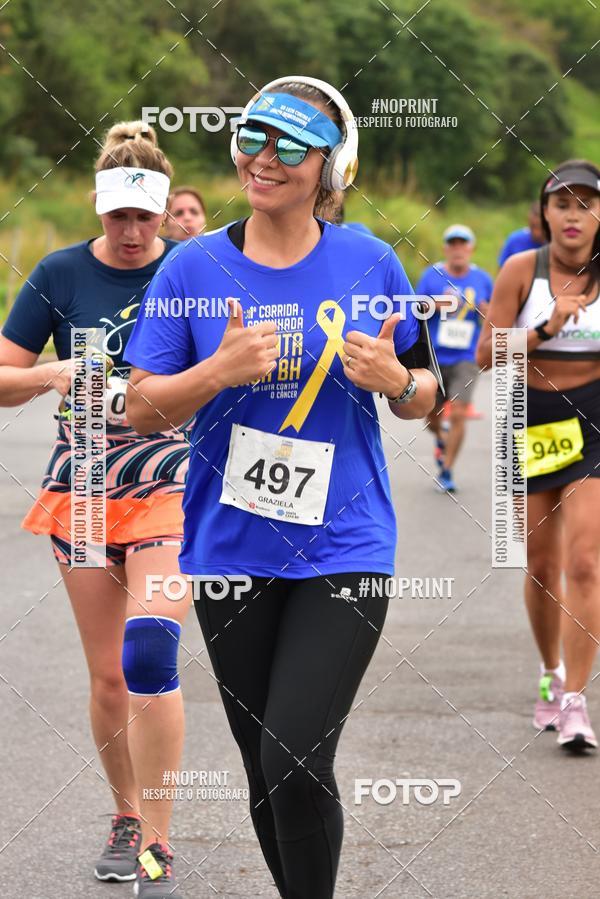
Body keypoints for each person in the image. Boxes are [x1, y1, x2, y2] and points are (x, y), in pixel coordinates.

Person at [124, 75, 439, 899]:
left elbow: (427, 390)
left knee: (294, 754)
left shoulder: (370, 260)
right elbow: (141, 407)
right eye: (253, 137)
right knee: (266, 766)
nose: (264, 158)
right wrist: (217, 372)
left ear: (332, 166)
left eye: (291, 145)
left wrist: (398, 381)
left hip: (346, 544)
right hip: (230, 549)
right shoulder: (191, 267)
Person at [0, 122, 191, 897]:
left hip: (170, 480)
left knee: (150, 651)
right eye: (118, 216)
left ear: (165, 211)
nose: (132, 231)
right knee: (110, 676)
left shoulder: (192, 269)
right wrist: (50, 374)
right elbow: (2, 376)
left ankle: (159, 839)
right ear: (97, 206)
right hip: (82, 488)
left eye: (144, 216)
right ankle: (126, 814)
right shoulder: (59, 272)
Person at [477, 159, 600, 751]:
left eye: (586, 205)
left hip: (593, 418)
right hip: (528, 414)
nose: (574, 216)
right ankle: (551, 673)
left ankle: (576, 701)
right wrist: (545, 329)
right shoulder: (522, 270)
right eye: (562, 204)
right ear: (544, 213)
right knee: (542, 565)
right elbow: (485, 353)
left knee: (586, 563)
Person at [417, 224, 493, 492]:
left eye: (463, 244)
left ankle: (446, 471)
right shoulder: (431, 275)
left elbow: (497, 316)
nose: (458, 249)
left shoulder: (483, 279)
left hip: (466, 357)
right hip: (434, 356)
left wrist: (486, 312)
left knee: (459, 412)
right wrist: (433, 304)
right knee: (430, 414)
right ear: (445, 248)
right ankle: (441, 436)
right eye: (453, 244)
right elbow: (414, 308)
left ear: (471, 248)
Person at [498, 201, 545, 267]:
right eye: (533, 226)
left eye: (540, 228)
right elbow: (501, 269)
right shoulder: (515, 240)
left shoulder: (554, 244)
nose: (537, 233)